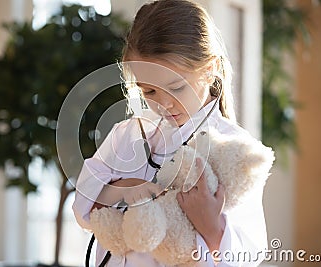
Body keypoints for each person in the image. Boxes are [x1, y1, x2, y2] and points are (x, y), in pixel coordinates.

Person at [73, 0, 270, 266]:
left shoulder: (235, 151)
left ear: (209, 70)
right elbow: (84, 209)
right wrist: (124, 189)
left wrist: (212, 228)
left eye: (176, 88)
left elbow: (250, 253)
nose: (163, 104)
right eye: (149, 92)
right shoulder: (128, 134)